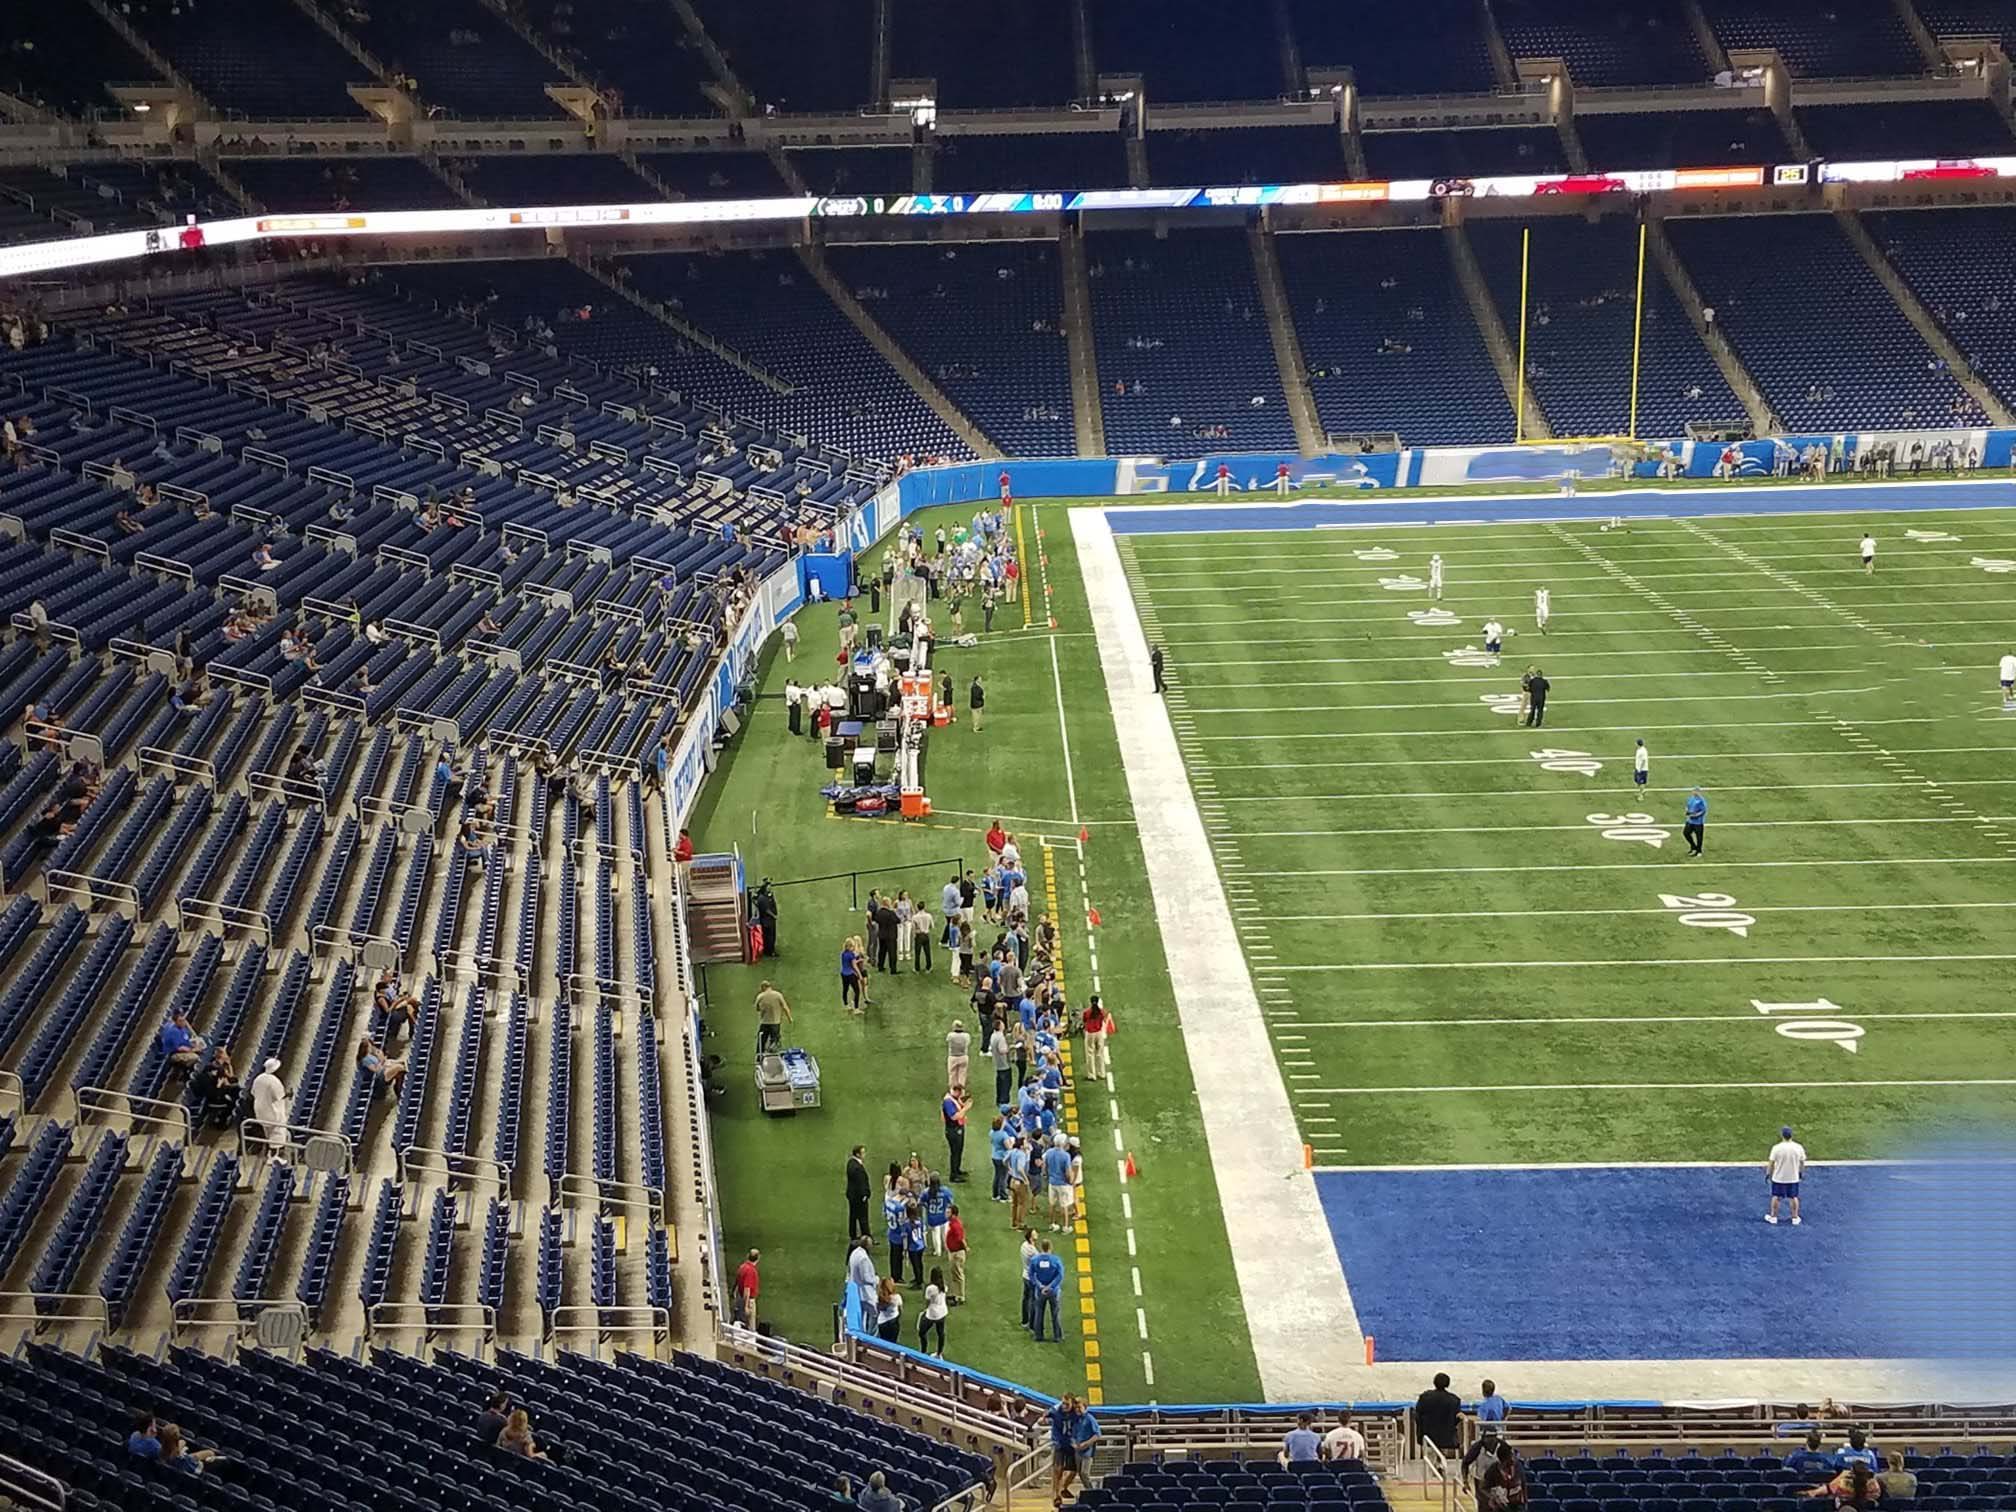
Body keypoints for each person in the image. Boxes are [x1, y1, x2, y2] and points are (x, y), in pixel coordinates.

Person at [1049, 1393, 1101, 1507]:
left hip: (1080, 1450)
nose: (1064, 1406)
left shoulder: (1084, 1417)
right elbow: (1050, 1411)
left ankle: (1089, 1493)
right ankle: (1057, 1494)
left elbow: (1097, 1433)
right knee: (1059, 1470)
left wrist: (1084, 1444)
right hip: (1066, 1446)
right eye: (1063, 1403)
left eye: (1067, 1404)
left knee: (1080, 1472)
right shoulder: (1062, 1413)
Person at [188, 1046, 240, 1130]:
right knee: (233, 1100)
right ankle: (221, 1121)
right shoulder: (212, 1068)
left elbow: (233, 1079)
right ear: (222, 1056)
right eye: (225, 1054)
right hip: (214, 1095)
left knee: (236, 1090)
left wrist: (229, 1065)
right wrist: (221, 1084)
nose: (228, 1056)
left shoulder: (222, 1066)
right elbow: (222, 1084)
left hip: (218, 1091)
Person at [1767, 1124, 1807, 1226]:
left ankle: (1774, 1217)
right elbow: (1802, 1162)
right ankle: (1795, 1217)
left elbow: (1771, 1163)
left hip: (1779, 1177)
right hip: (1793, 1177)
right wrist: (1800, 1173)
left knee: (1776, 1197)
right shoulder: (1798, 1147)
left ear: (1782, 1135)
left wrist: (1768, 1174)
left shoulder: (1776, 1148)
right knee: (1793, 1197)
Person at [1415, 1372, 1462, 1453]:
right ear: (1448, 1384)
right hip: (1448, 1439)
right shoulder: (1454, 1400)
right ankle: (1440, 1461)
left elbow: (1418, 1416)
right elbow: (1456, 1420)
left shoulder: (1424, 1397)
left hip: (1427, 1438)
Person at [1028, 1239, 1065, 1341]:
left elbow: (1031, 1274)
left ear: (1041, 1247)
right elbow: (1060, 1275)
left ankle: (1038, 1335)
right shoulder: (1055, 1260)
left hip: (1040, 1291)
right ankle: (1057, 1336)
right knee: (1055, 1313)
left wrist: (1040, 1286)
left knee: (1039, 1313)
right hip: (1053, 1291)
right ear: (1050, 1248)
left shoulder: (1035, 1260)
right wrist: (1050, 1286)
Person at [249, 1058, 290, 1147]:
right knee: (277, 1137)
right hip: (273, 1113)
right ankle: (273, 1156)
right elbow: (280, 1096)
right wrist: (289, 1094)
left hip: (260, 1111)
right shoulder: (274, 1081)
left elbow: (253, 1092)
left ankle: (269, 1153)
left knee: (268, 1134)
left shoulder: (258, 1078)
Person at [1803, 1461, 1881, 1506]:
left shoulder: (1844, 1485)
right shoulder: (1874, 1486)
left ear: (1852, 1473)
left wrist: (1841, 1475)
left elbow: (1829, 1488)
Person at [1482, 1439, 1529, 1510]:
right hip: (1500, 1507)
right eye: (1511, 1456)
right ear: (1504, 1460)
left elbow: (1523, 1483)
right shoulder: (1493, 1470)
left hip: (1518, 1505)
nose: (1513, 1458)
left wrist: (1525, 1501)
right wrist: (1493, 1496)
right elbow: (1484, 1488)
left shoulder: (1518, 1466)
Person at [160, 1009, 206, 1074]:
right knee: (195, 1057)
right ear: (175, 1022)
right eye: (180, 1021)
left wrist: (196, 1046)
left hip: (184, 1050)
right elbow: (179, 1048)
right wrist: (193, 1050)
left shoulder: (183, 1029)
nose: (183, 1022)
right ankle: (184, 1070)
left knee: (201, 1047)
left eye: (183, 1020)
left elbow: (187, 1041)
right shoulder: (173, 1031)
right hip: (173, 1054)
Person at [754, 980, 792, 1055]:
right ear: (770, 987)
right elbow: (785, 1007)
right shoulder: (778, 995)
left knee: (761, 1041)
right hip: (775, 1023)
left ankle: (759, 1058)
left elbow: (757, 1008)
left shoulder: (760, 996)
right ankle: (774, 1056)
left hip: (764, 1023)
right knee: (775, 1041)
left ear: (763, 987)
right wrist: (789, 1018)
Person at [918, 1267, 949, 1356]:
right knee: (941, 1333)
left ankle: (923, 1352)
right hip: (942, 1312)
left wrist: (925, 1310)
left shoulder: (931, 1288)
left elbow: (927, 1301)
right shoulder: (943, 1286)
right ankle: (939, 1353)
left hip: (933, 1314)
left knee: (922, 1332)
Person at [941, 1086, 970, 1181]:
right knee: (955, 1152)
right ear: (956, 1091)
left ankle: (957, 1170)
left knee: (959, 1151)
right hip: (953, 1130)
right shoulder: (948, 1102)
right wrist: (966, 1108)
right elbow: (954, 1116)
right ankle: (953, 1175)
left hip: (957, 1128)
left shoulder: (953, 1099)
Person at [847, 1145, 872, 1240]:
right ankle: (866, 1236)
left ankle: (853, 1235)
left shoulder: (851, 1163)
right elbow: (860, 1182)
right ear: (857, 1154)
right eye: (863, 1152)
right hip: (858, 1197)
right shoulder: (856, 1167)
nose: (864, 1155)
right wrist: (864, 1195)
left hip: (852, 1196)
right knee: (863, 1217)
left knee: (853, 1216)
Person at [1082, 996, 1110, 1080]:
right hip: (1099, 1033)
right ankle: (1101, 1073)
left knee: (1090, 1054)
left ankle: (1092, 1075)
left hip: (1090, 1033)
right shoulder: (1101, 1012)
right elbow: (1104, 1017)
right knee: (1100, 1053)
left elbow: (1084, 1020)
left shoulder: (1087, 1012)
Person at [733, 1248, 761, 1328]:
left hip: (740, 1298)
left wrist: (734, 1293)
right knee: (750, 1326)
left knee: (740, 1322)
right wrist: (746, 1306)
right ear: (758, 1258)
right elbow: (747, 1289)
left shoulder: (742, 1267)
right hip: (748, 1301)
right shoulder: (751, 1271)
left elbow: (736, 1282)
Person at [944, 1205, 966, 1304]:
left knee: (958, 1275)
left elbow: (960, 1238)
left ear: (953, 1214)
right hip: (953, 1252)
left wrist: (965, 1248)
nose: (946, 1213)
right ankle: (955, 1294)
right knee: (954, 1275)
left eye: (948, 1212)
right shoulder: (952, 1223)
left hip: (957, 1253)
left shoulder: (955, 1225)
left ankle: (960, 1296)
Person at [840, 938, 866, 1015]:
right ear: (849, 946)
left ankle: (846, 1005)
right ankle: (856, 1009)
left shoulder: (843, 954)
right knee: (857, 991)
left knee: (845, 989)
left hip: (843, 974)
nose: (854, 948)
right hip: (850, 974)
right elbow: (854, 966)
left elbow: (848, 963)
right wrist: (860, 975)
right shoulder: (851, 955)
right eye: (853, 946)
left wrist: (857, 960)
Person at [873, 1275, 903, 1341]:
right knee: (893, 1343)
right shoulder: (896, 1297)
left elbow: (877, 1310)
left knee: (884, 1342)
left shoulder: (877, 1298)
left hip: (882, 1322)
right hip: (893, 1321)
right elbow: (900, 1309)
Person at [945, 1020, 970, 1095]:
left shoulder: (950, 1035)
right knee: (962, 1074)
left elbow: (947, 1041)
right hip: (963, 1056)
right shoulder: (966, 1036)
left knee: (952, 1074)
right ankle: (961, 1091)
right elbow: (968, 1043)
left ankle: (953, 1091)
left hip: (953, 1056)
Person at [1684, 787, 1707, 857]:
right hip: (1690, 821)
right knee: (1686, 833)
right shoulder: (1691, 798)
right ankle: (1693, 846)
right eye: (1693, 791)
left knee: (1699, 837)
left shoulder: (1701, 801)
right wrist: (1687, 811)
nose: (1694, 792)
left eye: (1695, 791)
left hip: (1698, 822)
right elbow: (1687, 806)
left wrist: (1696, 815)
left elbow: (1703, 811)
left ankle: (1699, 851)